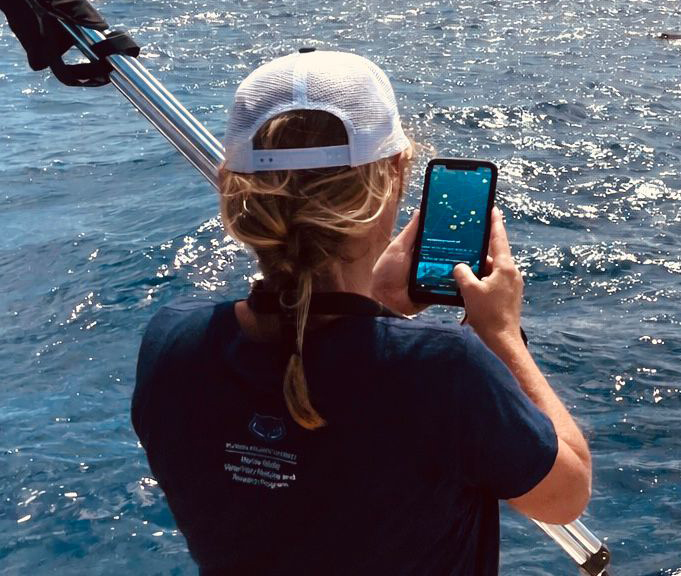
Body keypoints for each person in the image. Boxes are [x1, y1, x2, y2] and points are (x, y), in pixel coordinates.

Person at [131, 50, 591, 574]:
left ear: (235, 185)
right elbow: (566, 494)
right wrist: (502, 334)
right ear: (396, 173)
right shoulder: (446, 369)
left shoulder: (172, 341)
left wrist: (380, 306)